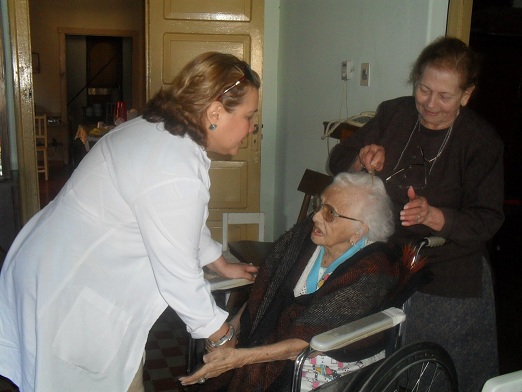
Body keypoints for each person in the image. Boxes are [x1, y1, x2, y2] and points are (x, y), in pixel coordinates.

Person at [0, 52, 260, 391]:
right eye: (248, 116)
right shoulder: (172, 164)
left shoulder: (161, 132)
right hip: (69, 288)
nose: (253, 127)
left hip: (51, 268)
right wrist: (221, 335)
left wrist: (220, 262)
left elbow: (179, 224)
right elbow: (178, 273)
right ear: (214, 112)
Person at [329, 37, 504, 391]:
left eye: (445, 96)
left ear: (466, 95)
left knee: (438, 373)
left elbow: (488, 218)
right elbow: (336, 160)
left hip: (450, 276)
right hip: (388, 265)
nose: (430, 104)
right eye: (424, 90)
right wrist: (361, 158)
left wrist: (437, 216)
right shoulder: (395, 114)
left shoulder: (480, 142)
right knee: (383, 366)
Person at [180, 172, 424, 391]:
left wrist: (240, 357)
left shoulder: (372, 270)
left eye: (330, 213)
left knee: (250, 375)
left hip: (330, 355)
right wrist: (231, 332)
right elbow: (264, 293)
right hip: (277, 342)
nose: (316, 216)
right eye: (320, 205)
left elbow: (307, 340)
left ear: (358, 231)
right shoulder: (302, 241)